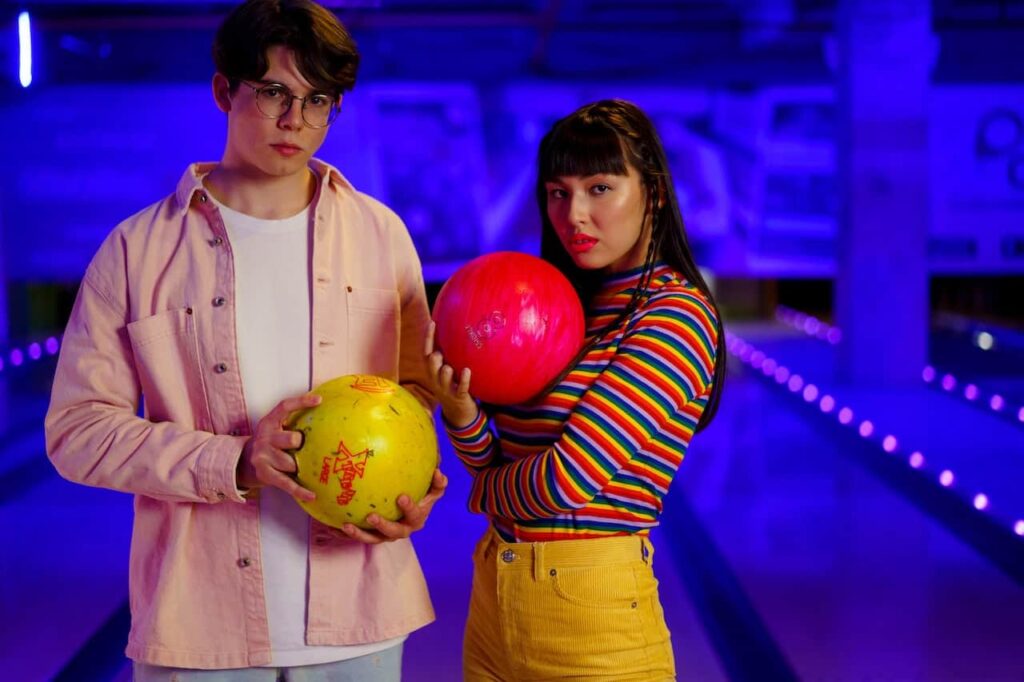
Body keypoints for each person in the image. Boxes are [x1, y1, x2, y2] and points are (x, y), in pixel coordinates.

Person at [44, 1, 446, 679]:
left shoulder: (382, 236)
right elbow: (75, 431)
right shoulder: (136, 251)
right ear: (224, 90)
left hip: (361, 621)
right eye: (274, 93)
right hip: (200, 632)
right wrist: (232, 461)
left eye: (318, 100)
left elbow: (414, 395)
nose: (295, 121)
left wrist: (408, 489)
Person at [425, 99, 726, 681]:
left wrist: (484, 493)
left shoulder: (675, 316)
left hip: (593, 616)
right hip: (496, 596)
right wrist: (461, 413)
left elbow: (569, 479)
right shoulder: (555, 307)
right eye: (558, 192)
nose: (575, 215)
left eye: (600, 188)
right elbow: (502, 456)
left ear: (654, 193)